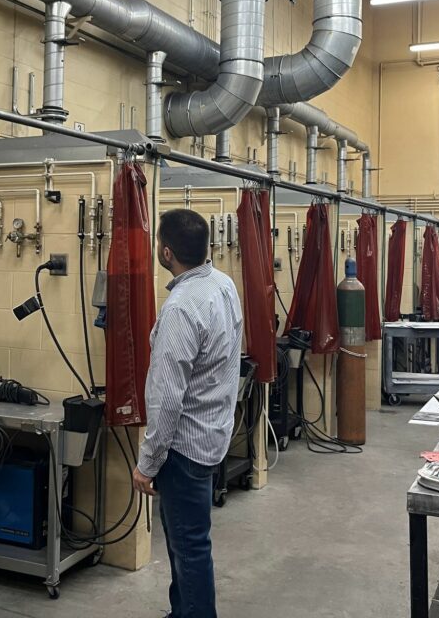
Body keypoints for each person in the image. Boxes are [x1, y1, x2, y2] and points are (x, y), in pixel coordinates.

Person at [132, 208, 243, 618]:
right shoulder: (224, 285)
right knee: (185, 541)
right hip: (213, 436)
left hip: (184, 449)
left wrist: (147, 463)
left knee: (190, 548)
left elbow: (165, 398)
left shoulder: (180, 307)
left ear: (166, 252)